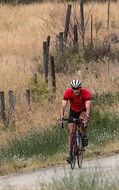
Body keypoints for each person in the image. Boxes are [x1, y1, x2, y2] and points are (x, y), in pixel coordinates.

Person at [59, 79, 92, 163]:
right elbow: (63, 106)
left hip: (82, 110)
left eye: (78, 88)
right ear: (72, 88)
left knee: (82, 121)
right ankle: (70, 154)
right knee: (71, 132)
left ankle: (84, 135)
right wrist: (61, 117)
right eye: (74, 88)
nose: (76, 90)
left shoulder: (85, 93)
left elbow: (88, 107)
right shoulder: (68, 93)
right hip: (73, 111)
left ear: (80, 88)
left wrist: (86, 117)